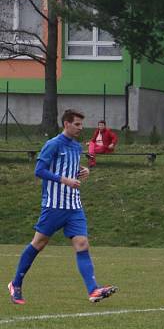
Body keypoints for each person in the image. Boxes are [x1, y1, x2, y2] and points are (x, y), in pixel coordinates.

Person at [7, 109, 118, 306]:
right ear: (66, 124)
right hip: (54, 205)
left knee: (82, 244)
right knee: (38, 244)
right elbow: (39, 171)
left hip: (74, 205)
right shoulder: (53, 144)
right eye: (77, 124)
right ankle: (15, 284)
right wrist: (64, 180)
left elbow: (70, 168)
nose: (80, 128)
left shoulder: (76, 147)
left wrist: (82, 171)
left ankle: (93, 290)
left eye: (81, 125)